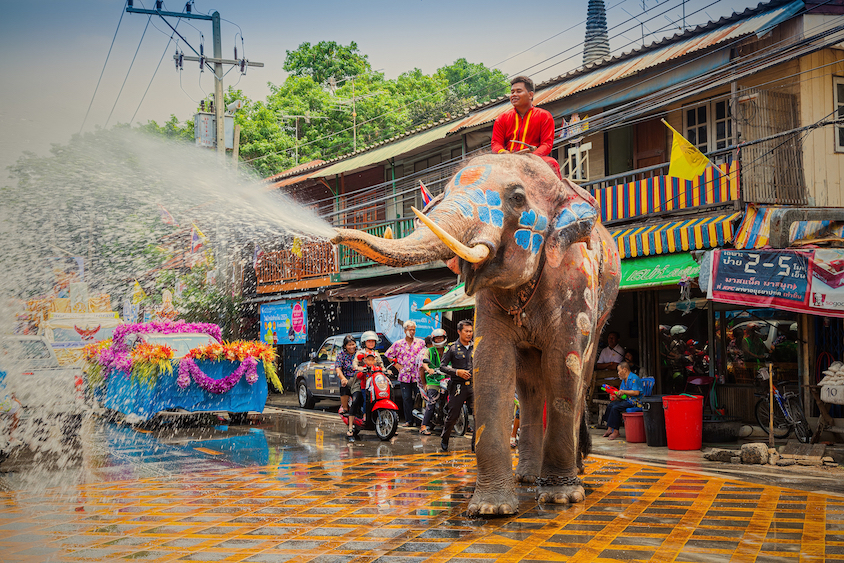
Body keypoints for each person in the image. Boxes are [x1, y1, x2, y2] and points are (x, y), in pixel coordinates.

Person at [491, 76, 561, 179]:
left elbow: (547, 144)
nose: (514, 95)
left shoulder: (545, 116)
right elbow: (496, 144)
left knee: (552, 163)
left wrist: (531, 158)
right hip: (508, 159)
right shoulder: (502, 118)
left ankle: (561, 194)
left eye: (519, 91)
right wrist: (505, 153)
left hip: (534, 159)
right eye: (512, 92)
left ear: (530, 95)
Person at [439, 320, 475, 452]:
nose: (469, 334)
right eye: (466, 331)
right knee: (453, 415)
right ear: (459, 332)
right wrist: (457, 372)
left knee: (477, 416)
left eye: (470, 331)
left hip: (473, 387)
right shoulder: (452, 348)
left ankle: (474, 445)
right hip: (457, 387)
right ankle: (445, 438)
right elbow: (442, 367)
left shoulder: (476, 347)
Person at [385, 320, 427, 428]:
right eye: (410, 329)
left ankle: (419, 420)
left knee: (418, 397)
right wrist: (397, 365)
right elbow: (388, 354)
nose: (412, 332)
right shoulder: (398, 344)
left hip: (418, 375)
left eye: (414, 329)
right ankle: (409, 420)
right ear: (405, 331)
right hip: (404, 376)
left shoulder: (420, 343)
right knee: (407, 398)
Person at [601, 362, 643, 441]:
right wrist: (615, 397)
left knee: (616, 408)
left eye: (619, 371)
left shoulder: (634, 378)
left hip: (635, 402)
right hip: (627, 401)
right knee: (611, 405)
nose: (618, 373)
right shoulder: (624, 381)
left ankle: (616, 431)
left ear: (625, 370)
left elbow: (636, 392)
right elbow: (622, 396)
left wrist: (623, 391)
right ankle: (610, 428)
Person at [419, 328, 449, 436]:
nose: (439, 340)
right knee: (432, 402)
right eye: (436, 338)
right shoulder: (429, 351)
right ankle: (423, 426)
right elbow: (424, 363)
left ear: (444, 338)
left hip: (446, 379)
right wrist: (428, 369)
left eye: (440, 337)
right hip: (433, 380)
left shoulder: (448, 350)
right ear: (433, 340)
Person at [348, 349, 382, 438]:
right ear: (365, 360)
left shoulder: (375, 367)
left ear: (375, 360)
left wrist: (386, 371)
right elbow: (358, 374)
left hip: (375, 387)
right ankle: (353, 424)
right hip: (363, 388)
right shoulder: (362, 362)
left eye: (372, 360)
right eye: (368, 359)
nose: (371, 361)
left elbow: (381, 370)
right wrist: (362, 371)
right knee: (362, 401)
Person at [334, 335, 358, 415]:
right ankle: (345, 407)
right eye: (349, 345)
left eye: (353, 344)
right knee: (344, 385)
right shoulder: (341, 355)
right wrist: (343, 378)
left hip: (359, 376)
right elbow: (338, 368)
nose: (351, 347)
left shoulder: (360, 352)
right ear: (345, 346)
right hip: (347, 377)